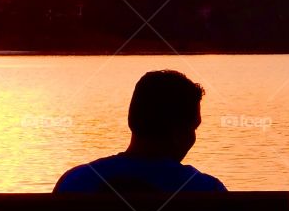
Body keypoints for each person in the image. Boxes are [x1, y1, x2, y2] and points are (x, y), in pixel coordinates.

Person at [53, 70, 226, 194]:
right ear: (178, 133)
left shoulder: (75, 181)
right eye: (194, 128)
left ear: (132, 120)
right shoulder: (207, 189)